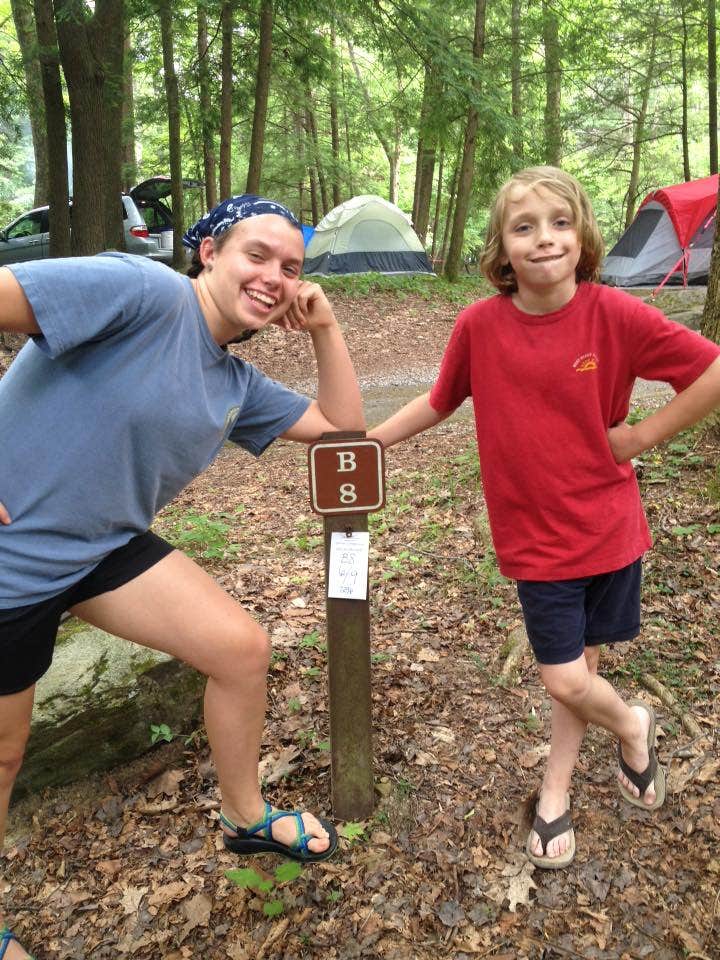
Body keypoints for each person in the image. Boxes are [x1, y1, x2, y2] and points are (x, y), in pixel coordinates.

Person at [0, 195, 365, 958]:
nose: (273, 277)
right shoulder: (143, 291)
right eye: (256, 255)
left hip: (102, 551)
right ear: (208, 252)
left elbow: (342, 430)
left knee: (239, 651)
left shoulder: (235, 384)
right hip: (13, 563)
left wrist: (327, 326)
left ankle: (243, 817)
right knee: (5, 754)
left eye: (291, 267)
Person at [371, 166, 720, 869]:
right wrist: (368, 442)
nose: (544, 240)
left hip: (610, 530)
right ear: (501, 247)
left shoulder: (613, 314)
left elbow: (711, 370)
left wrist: (642, 436)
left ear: (583, 234)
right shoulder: (479, 325)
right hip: (534, 540)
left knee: (579, 671)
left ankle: (555, 787)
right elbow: (440, 399)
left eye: (559, 223)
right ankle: (634, 723)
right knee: (565, 677)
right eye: (523, 227)